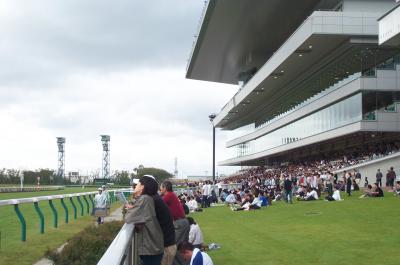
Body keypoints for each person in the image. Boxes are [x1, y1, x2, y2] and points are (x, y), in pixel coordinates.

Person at [124, 176, 164, 265]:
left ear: (142, 186)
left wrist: (130, 209)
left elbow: (128, 218)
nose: (135, 186)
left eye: (137, 184)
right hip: (153, 247)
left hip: (151, 249)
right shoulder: (147, 198)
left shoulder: (144, 199)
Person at [141, 175, 176, 265]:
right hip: (167, 244)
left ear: (145, 186)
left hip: (167, 246)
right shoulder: (155, 198)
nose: (137, 187)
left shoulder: (151, 199)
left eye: (140, 184)